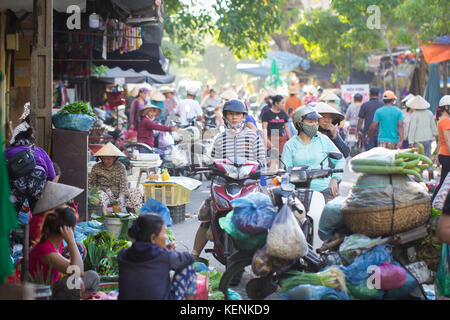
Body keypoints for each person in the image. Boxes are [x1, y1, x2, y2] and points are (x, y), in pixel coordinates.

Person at [191, 99, 266, 260]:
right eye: (231, 114)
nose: (234, 117)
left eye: (238, 114)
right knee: (207, 214)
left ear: (244, 116)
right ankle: (194, 255)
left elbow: (261, 161)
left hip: (249, 184)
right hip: (224, 185)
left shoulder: (254, 137)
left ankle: (267, 254)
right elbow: (213, 161)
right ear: (225, 116)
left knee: (265, 214)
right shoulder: (219, 139)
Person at [118, 213, 197, 300]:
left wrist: (165, 251)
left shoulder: (123, 255)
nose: (166, 237)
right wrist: (169, 252)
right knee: (188, 268)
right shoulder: (164, 256)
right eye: (164, 233)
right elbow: (189, 258)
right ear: (153, 238)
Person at [282, 106, 345, 202]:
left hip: (323, 189)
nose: (315, 124)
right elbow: (286, 171)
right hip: (299, 192)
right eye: (311, 122)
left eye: (316, 121)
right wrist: (289, 191)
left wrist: (334, 179)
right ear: (299, 124)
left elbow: (340, 159)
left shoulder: (323, 140)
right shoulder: (290, 145)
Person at [5, 103, 56, 213]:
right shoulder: (39, 151)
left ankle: (10, 229)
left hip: (17, 184)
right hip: (37, 182)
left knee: (12, 212)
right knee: (39, 213)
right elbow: (52, 175)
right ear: (31, 141)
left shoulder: (8, 151)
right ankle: (37, 228)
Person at [28, 206, 84, 285]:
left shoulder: (52, 244)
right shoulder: (45, 250)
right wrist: (71, 241)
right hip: (43, 295)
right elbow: (79, 272)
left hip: (50, 291)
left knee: (91, 276)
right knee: (79, 282)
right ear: (69, 230)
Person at [29, 181, 84, 246]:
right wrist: (71, 242)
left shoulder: (54, 215)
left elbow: (73, 220)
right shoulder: (40, 220)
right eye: (63, 202)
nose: (64, 204)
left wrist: (72, 204)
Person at [407, 95, 438, 180]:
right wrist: (436, 135)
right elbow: (433, 127)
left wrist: (411, 142)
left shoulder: (414, 114)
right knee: (428, 158)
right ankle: (431, 177)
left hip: (418, 141)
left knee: (419, 159)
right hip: (428, 139)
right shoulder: (429, 113)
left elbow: (412, 129)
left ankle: (418, 179)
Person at [261, 95, 292, 160]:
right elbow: (264, 129)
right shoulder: (267, 114)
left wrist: (290, 138)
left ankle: (281, 169)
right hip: (271, 137)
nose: (284, 105)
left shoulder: (283, 114)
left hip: (281, 138)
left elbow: (286, 127)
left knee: (282, 158)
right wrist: (266, 141)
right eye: (282, 103)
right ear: (276, 103)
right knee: (273, 161)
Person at [433, 95, 450, 200]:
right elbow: (448, 140)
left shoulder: (441, 120)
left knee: (444, 181)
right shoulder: (446, 121)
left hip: (443, 154)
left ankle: (434, 201)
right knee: (444, 182)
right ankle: (434, 202)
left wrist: (437, 155)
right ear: (446, 108)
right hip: (448, 155)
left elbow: (440, 140)